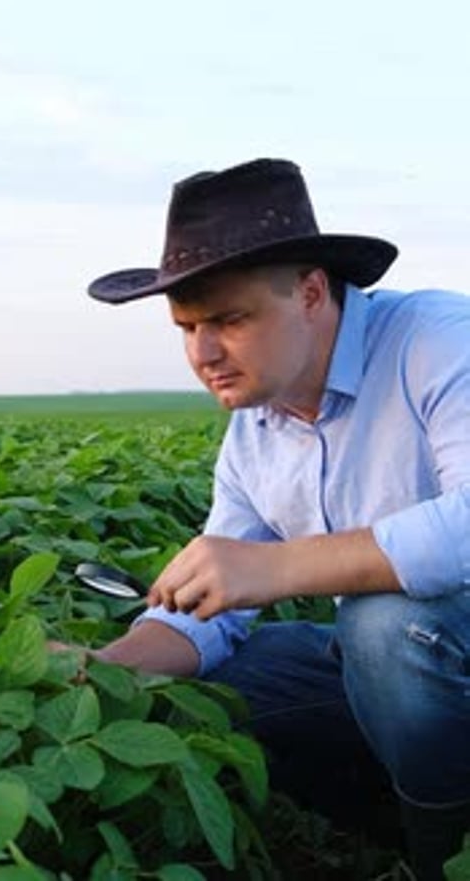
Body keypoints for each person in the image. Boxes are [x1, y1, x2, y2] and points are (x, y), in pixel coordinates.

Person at [85, 159, 470, 880]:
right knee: (215, 691)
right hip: (403, 680)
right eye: (188, 326)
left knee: (381, 626)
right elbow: (209, 611)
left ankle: (440, 858)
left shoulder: (438, 340)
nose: (203, 354)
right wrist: (102, 672)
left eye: (229, 320)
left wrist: (276, 566)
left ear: (312, 292)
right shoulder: (256, 433)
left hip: (438, 648)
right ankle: (398, 812)